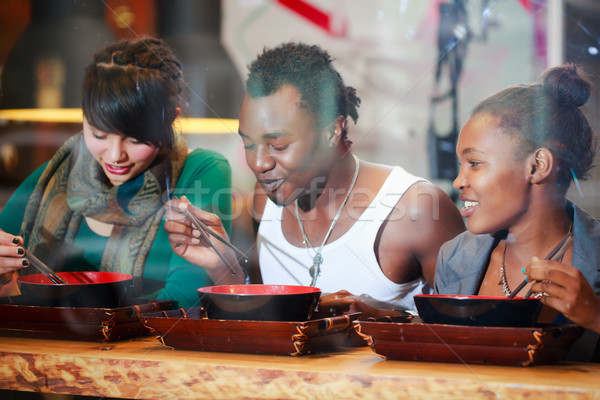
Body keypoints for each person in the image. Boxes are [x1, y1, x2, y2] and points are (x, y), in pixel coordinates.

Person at [165, 42, 465, 316]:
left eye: (278, 145)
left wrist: (376, 318)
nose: (259, 163)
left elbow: (468, 336)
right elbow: (265, 317)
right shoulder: (266, 197)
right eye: (249, 144)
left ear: (332, 131)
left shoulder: (416, 210)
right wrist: (224, 264)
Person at [0, 37, 243, 308]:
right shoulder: (55, 176)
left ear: (171, 120)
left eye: (136, 140)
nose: (115, 155)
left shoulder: (200, 171)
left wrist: (55, 307)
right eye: (99, 134)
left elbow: (184, 299)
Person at [434, 64, 600, 359]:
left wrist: (596, 317)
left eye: (474, 163)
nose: (460, 181)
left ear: (536, 166)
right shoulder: (454, 257)